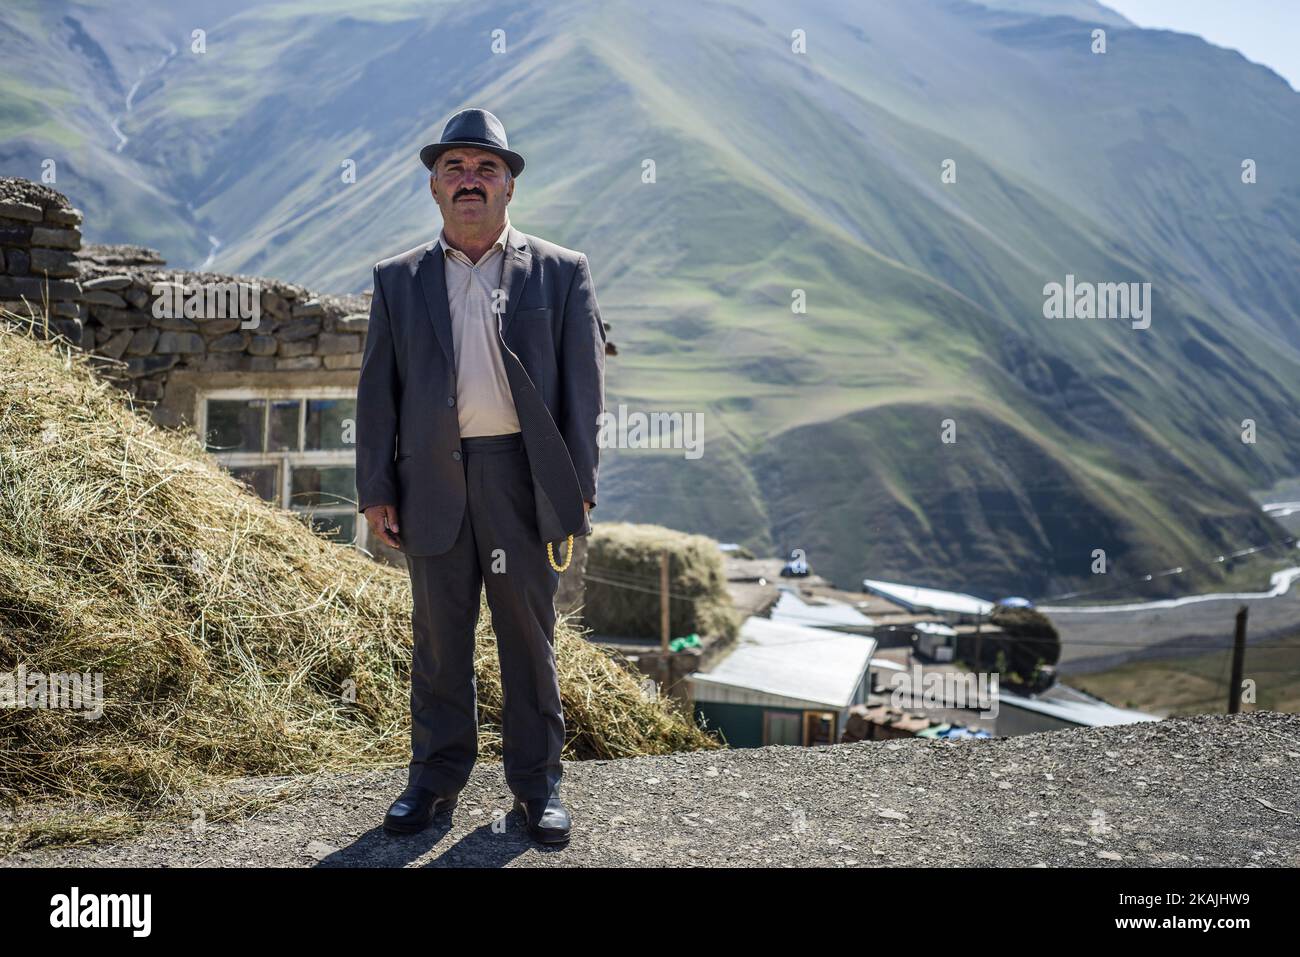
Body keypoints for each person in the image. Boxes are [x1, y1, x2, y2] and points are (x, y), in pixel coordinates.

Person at [355, 108, 605, 844]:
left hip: (521, 480)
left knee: (528, 638)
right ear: (433, 186)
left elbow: (583, 391)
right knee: (439, 643)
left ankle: (537, 788)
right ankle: (431, 784)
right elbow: (378, 393)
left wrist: (578, 481)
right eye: (455, 168)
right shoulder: (398, 279)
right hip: (430, 480)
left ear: (509, 187)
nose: (470, 180)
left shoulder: (560, 271)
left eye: (486, 167)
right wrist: (376, 487)